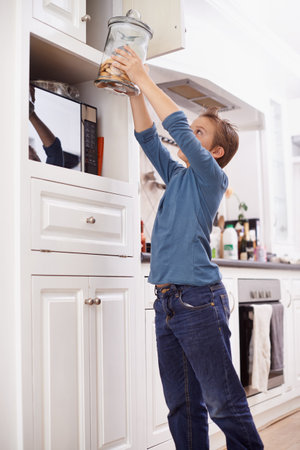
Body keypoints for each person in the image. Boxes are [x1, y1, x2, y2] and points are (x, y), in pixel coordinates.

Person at [111, 46, 264, 450]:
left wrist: (144, 76)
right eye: (192, 129)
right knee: (181, 405)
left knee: (223, 403)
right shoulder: (176, 175)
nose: (189, 135)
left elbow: (175, 127)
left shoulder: (210, 178)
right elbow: (148, 137)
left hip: (199, 301)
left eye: (199, 133)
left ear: (214, 153)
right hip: (167, 303)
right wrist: (133, 92)